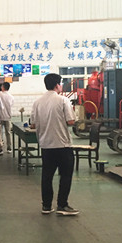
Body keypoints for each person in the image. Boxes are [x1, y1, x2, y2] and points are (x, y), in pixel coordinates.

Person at [31, 73, 78, 216]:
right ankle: (62, 205)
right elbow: (71, 121)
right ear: (57, 85)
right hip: (62, 145)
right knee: (65, 176)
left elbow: (33, 124)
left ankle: (46, 206)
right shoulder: (63, 100)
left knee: (47, 176)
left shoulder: (37, 102)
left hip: (46, 145)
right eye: (61, 83)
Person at [0, 82, 15, 154]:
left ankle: (0, 148)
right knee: (8, 132)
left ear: (3, 87)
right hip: (8, 116)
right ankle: (9, 148)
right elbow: (11, 106)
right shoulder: (11, 97)